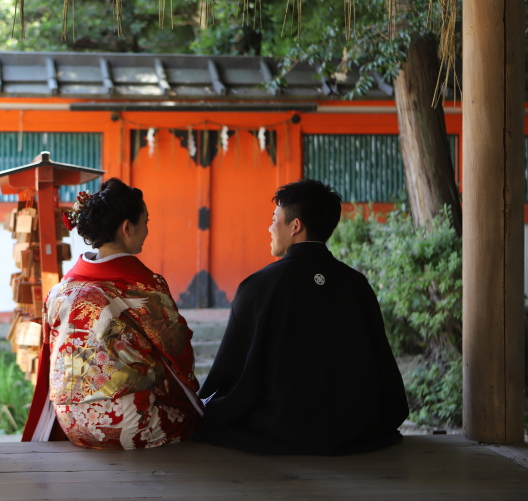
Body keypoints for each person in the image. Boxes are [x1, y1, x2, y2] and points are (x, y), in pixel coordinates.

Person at [194, 179, 408, 455]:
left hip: (280, 427)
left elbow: (231, 371)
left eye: (275, 220)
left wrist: (205, 406)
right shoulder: (356, 284)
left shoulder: (258, 286)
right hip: (354, 429)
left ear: (295, 226)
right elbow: (381, 363)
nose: (270, 228)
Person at [23, 178, 202, 449]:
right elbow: (177, 348)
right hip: (132, 422)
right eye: (146, 221)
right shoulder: (142, 286)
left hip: (71, 423)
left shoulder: (61, 289)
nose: (147, 229)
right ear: (127, 228)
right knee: (198, 419)